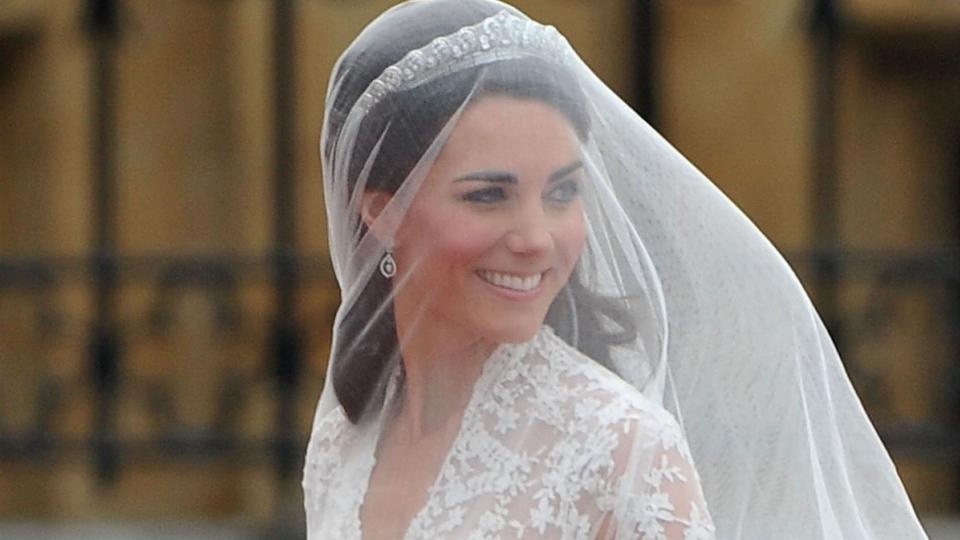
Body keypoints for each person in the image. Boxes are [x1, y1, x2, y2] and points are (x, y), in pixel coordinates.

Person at [303, 1, 928, 538]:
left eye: (562, 192)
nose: (536, 239)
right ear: (383, 213)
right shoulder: (344, 439)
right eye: (488, 195)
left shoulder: (619, 447)